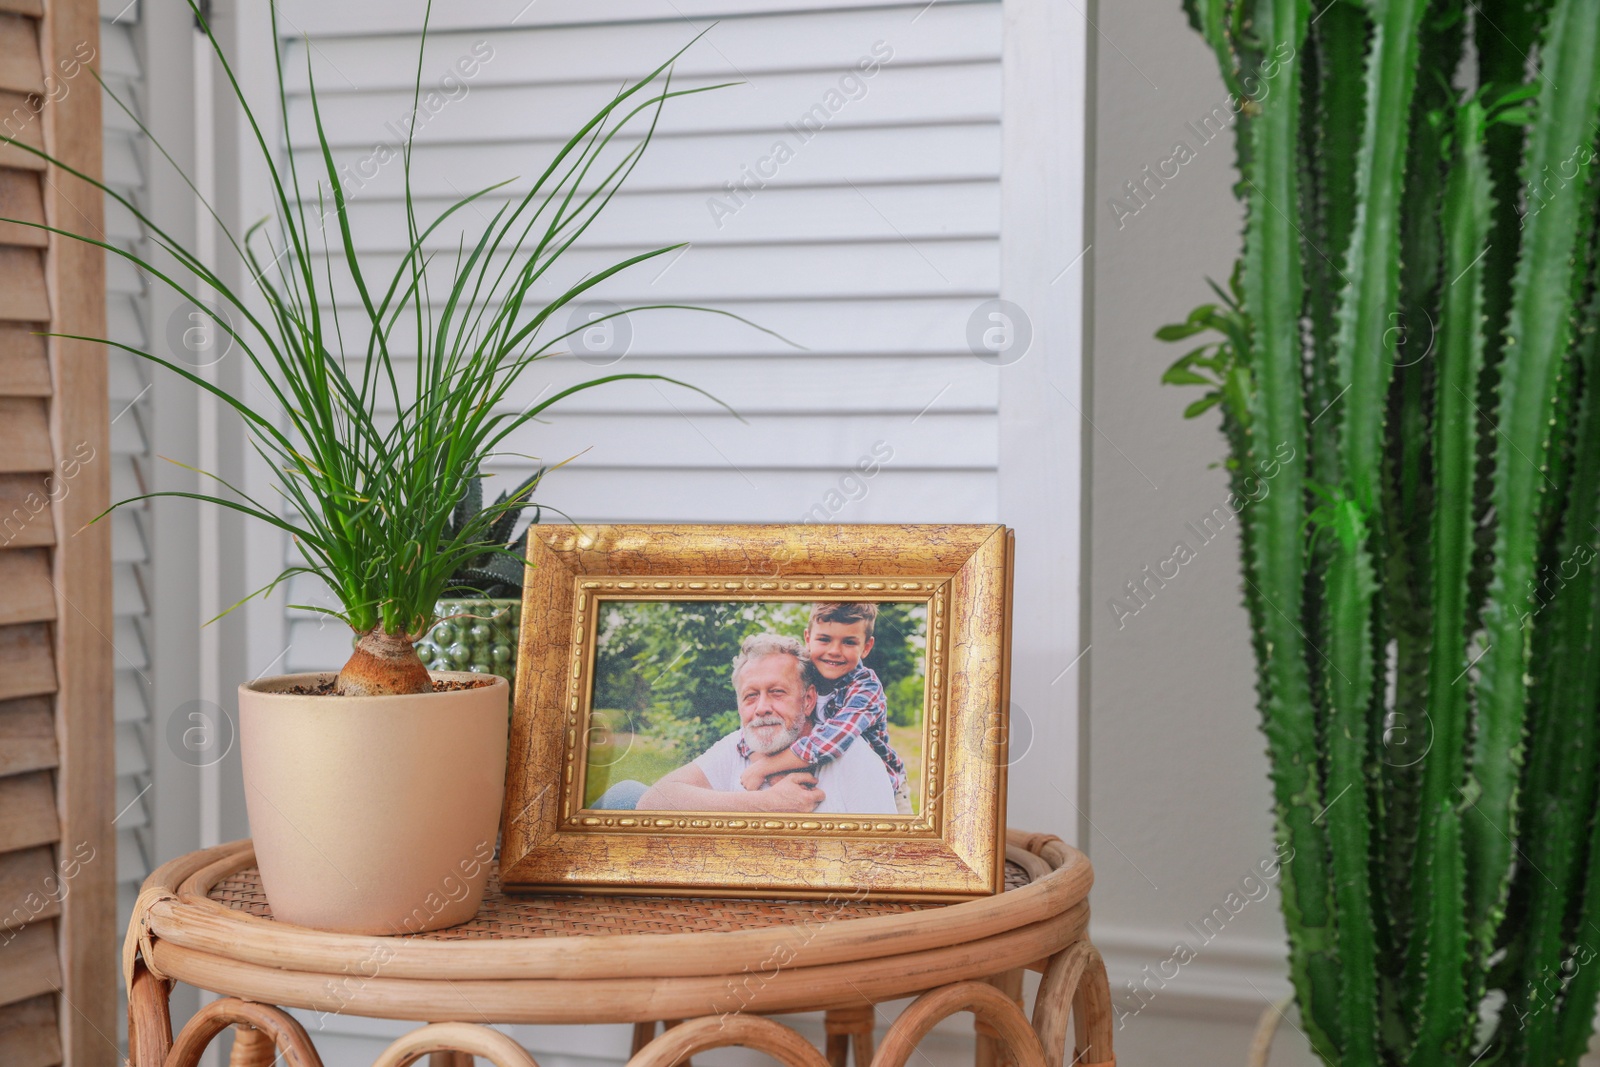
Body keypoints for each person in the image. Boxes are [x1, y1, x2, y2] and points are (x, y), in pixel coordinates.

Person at [592, 632, 895, 814]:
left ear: (808, 700)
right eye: (750, 696)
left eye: (777, 692)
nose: (762, 708)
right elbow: (653, 801)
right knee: (626, 793)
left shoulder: (852, 758)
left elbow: (882, 864)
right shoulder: (737, 745)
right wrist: (768, 804)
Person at [737, 603, 913, 815]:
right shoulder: (803, 676)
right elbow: (764, 725)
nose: (834, 651)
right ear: (808, 638)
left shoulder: (866, 689)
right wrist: (760, 758)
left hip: (882, 790)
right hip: (825, 779)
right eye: (824, 639)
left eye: (849, 642)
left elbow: (829, 742)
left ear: (866, 647)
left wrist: (764, 767)